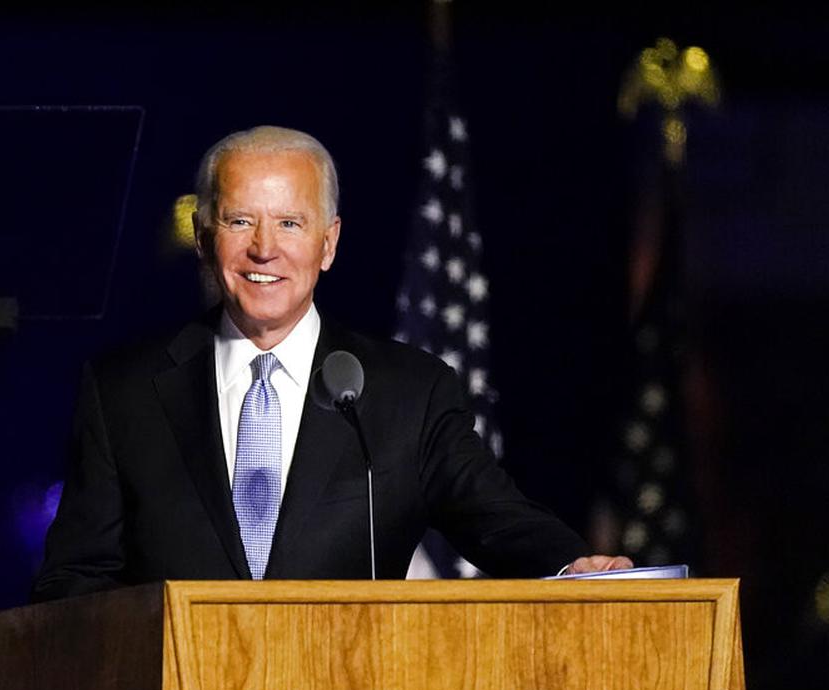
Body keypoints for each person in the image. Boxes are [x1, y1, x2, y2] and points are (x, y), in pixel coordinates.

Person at [32, 126, 629, 600]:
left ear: (329, 242)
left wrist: (572, 563)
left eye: (290, 223)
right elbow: (73, 582)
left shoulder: (407, 393)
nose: (264, 248)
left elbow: (496, 518)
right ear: (202, 235)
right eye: (240, 221)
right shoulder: (124, 392)